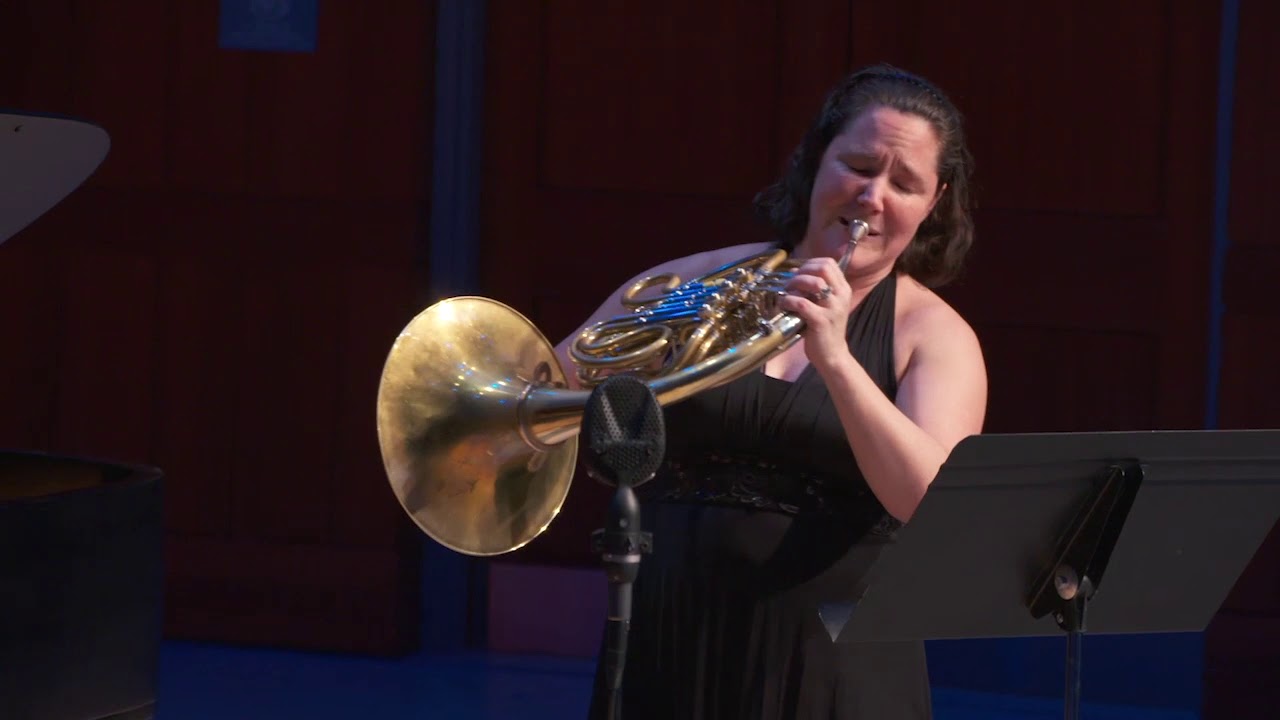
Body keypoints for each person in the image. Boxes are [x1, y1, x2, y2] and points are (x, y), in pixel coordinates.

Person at [556, 63, 988, 720]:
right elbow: (559, 382)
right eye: (859, 165)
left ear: (934, 202)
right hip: (672, 644)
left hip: (835, 669)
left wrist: (836, 360)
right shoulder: (696, 286)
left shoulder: (934, 335)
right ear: (817, 162)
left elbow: (929, 503)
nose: (873, 197)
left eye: (904, 183)